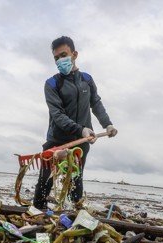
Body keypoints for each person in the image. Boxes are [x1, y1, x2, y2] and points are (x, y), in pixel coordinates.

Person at [33, 36, 117, 209]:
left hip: (81, 143)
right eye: (56, 58)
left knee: (76, 182)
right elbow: (57, 114)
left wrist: (107, 124)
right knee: (45, 181)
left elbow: (96, 103)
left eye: (63, 55)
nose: (59, 60)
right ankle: (37, 212)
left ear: (74, 54)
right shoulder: (52, 83)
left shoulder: (87, 79)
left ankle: (74, 215)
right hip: (56, 140)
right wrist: (81, 130)